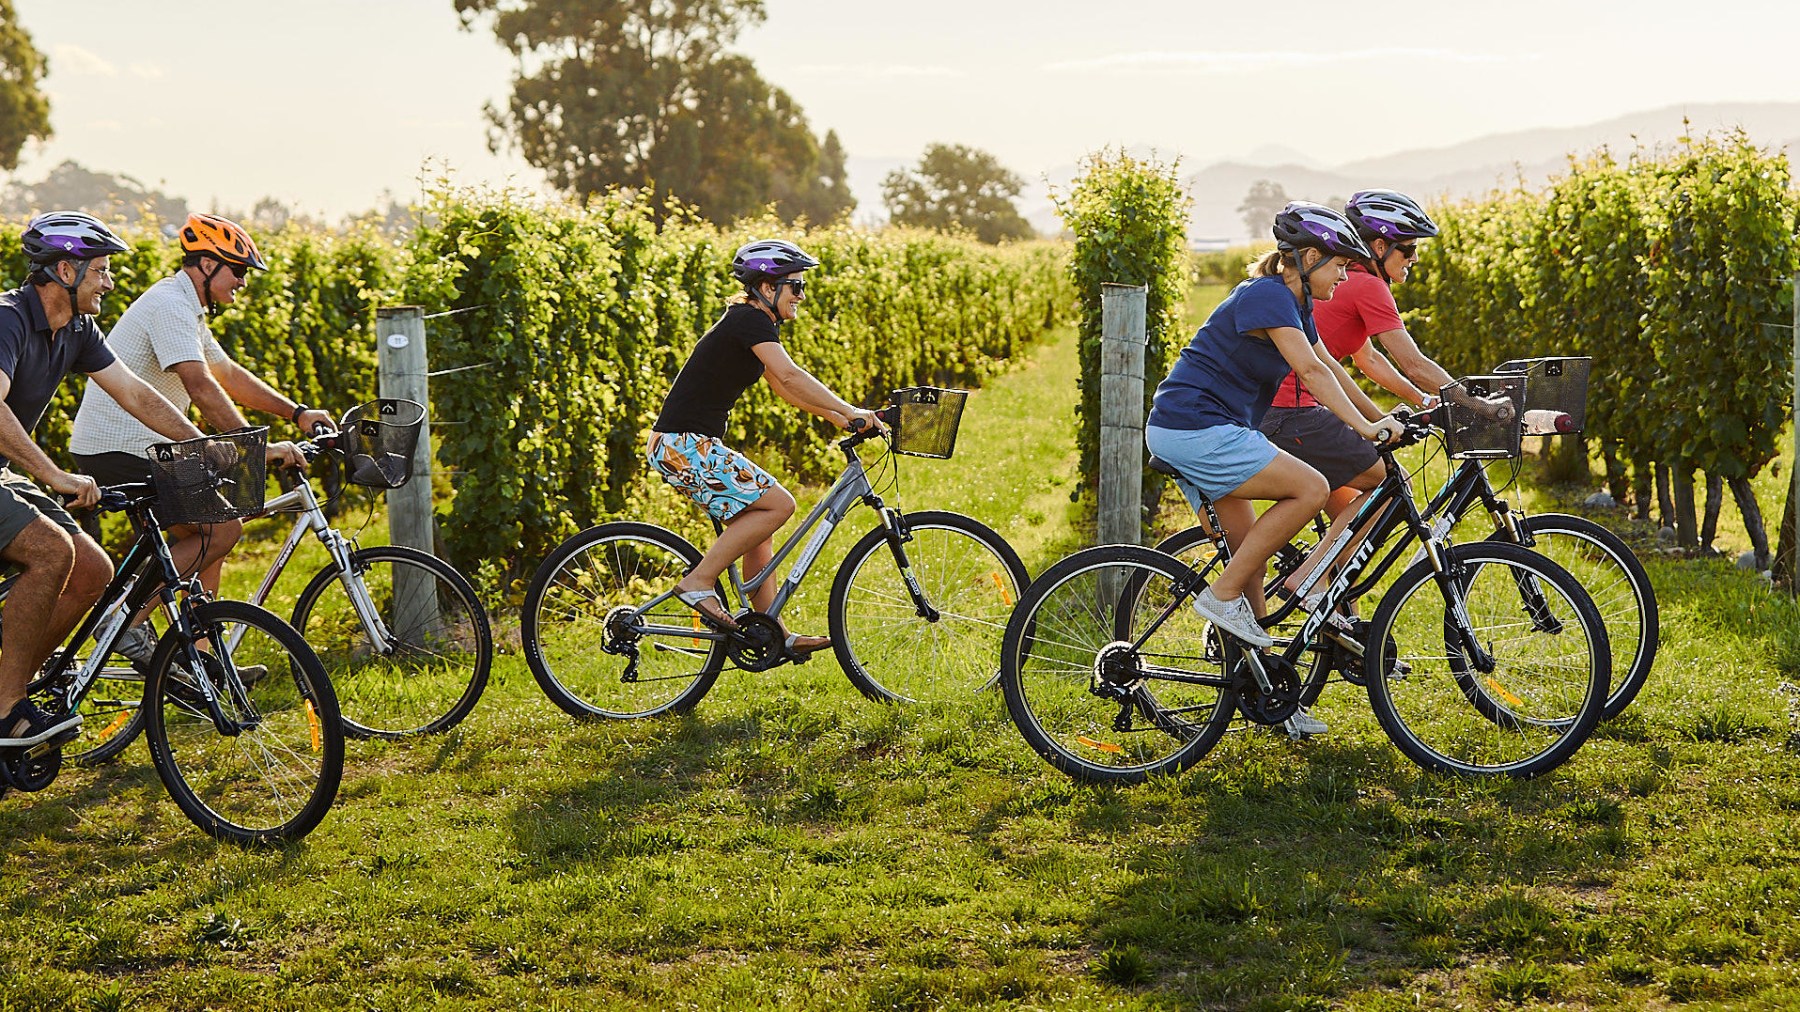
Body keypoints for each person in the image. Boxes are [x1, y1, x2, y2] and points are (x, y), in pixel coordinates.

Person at [1144, 202, 1398, 736]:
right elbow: (1308, 371)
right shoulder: (1267, 296)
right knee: (1311, 488)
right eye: (1339, 265)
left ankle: (1269, 697)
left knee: (1251, 563)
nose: (1344, 276)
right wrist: (1365, 428)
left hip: (1203, 428)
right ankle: (1220, 597)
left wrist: (1377, 420)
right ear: (1307, 258)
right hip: (1196, 427)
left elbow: (1327, 367)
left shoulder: (1295, 304)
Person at [0, 212, 213, 746]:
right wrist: (52, 474)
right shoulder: (8, 319)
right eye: (101, 270)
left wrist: (201, 446)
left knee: (94, 570)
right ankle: (6, 710)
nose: (110, 282)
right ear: (65, 271)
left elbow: (135, 392)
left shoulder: (76, 329)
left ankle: (12, 684)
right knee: (52, 551)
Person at [69, 212, 318, 668]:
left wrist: (296, 414)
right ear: (206, 265)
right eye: (238, 270)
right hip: (121, 446)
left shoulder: (187, 308)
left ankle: (202, 663)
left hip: (145, 445)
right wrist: (254, 450)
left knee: (209, 539)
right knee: (222, 530)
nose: (243, 281)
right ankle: (121, 620)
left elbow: (227, 375)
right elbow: (201, 386)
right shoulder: (169, 305)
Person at [646, 239, 883, 656]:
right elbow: (790, 375)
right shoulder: (748, 320)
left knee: (759, 529)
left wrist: (840, 418)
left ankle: (773, 634)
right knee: (779, 505)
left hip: (686, 444)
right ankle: (698, 582)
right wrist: (851, 409)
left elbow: (782, 387)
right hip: (683, 445)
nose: (801, 296)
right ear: (767, 287)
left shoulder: (754, 323)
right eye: (796, 286)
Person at [1257, 190, 1454, 608]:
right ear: (1380, 246)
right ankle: (1307, 582)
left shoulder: (1354, 284)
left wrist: (1418, 403)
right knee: (1386, 487)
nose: (1415, 258)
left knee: (1350, 523)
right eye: (1409, 249)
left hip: (1289, 407)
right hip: (1293, 410)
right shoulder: (1367, 287)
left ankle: (1334, 618)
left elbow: (1368, 360)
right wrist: (1470, 402)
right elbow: (1412, 362)